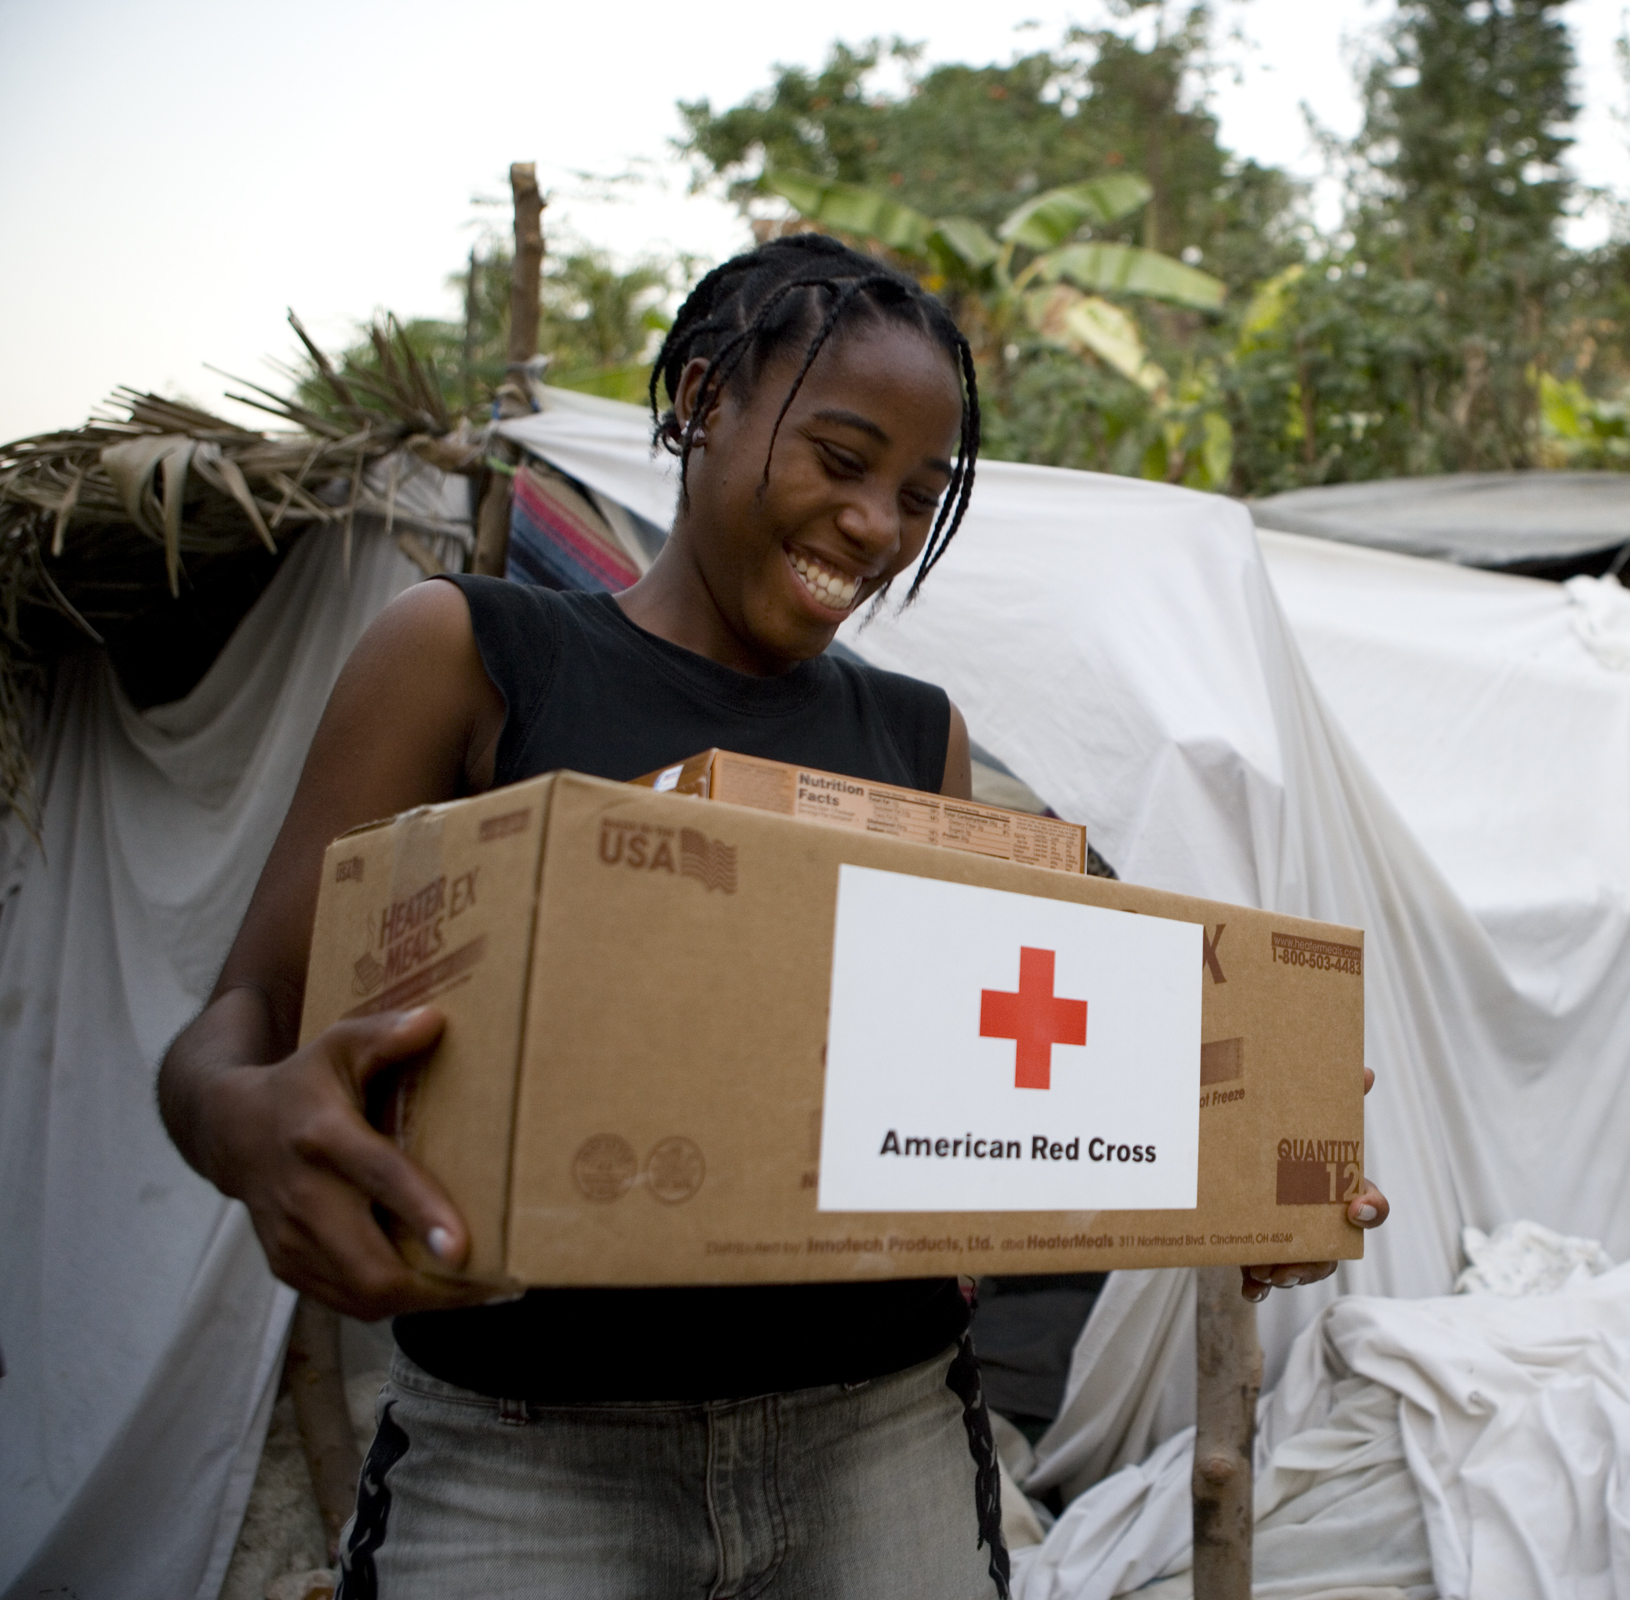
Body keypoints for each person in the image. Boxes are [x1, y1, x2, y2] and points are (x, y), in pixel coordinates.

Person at [156, 234, 1387, 1600]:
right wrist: (244, 1122)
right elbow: (244, 1017)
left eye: (921, 496)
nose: (877, 526)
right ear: (698, 402)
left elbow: (1033, 1048)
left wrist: (1252, 1139)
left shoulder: (917, 737)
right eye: (842, 460)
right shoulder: (471, 654)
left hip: (883, 1438)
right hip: (528, 1452)